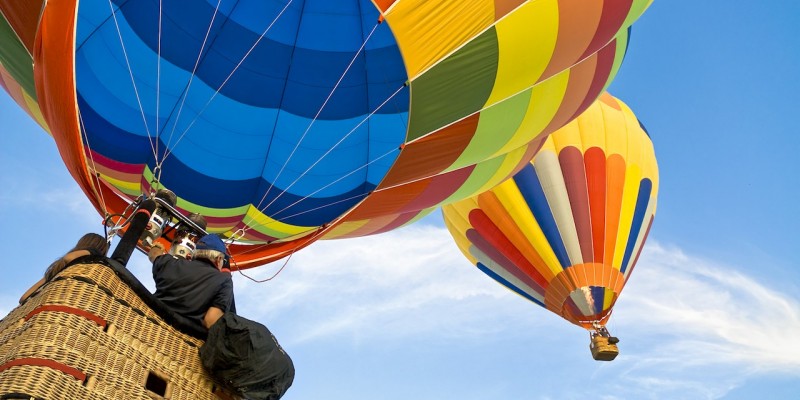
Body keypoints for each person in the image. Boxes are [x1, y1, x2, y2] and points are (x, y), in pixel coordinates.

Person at [148, 234, 235, 330]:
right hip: (181, 339)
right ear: (218, 259)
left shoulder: (170, 263)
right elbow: (210, 322)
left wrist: (156, 246)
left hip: (146, 323)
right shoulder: (224, 280)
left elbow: (154, 255)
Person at [20, 233, 110, 303]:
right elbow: (69, 258)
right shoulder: (91, 256)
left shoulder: (56, 269)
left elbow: (24, 297)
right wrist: (94, 253)